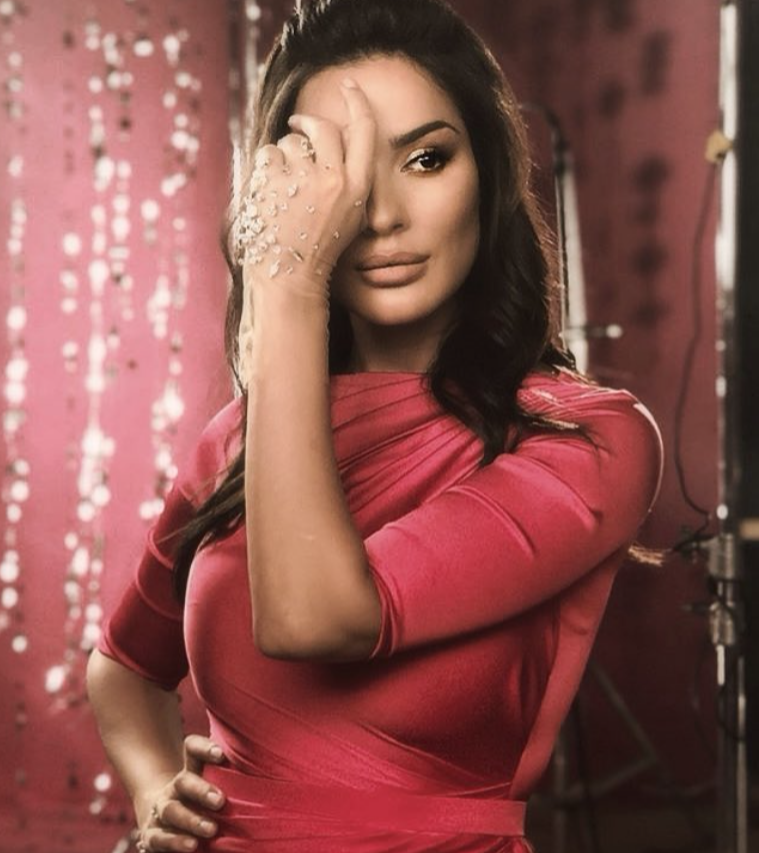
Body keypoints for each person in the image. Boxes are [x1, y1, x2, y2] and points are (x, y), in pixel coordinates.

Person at [86, 0, 663, 850]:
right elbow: (124, 669)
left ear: (488, 174)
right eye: (338, 176)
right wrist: (154, 797)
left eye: (425, 159)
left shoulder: (586, 439)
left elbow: (316, 619)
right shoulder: (241, 437)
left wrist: (286, 284)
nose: (381, 214)